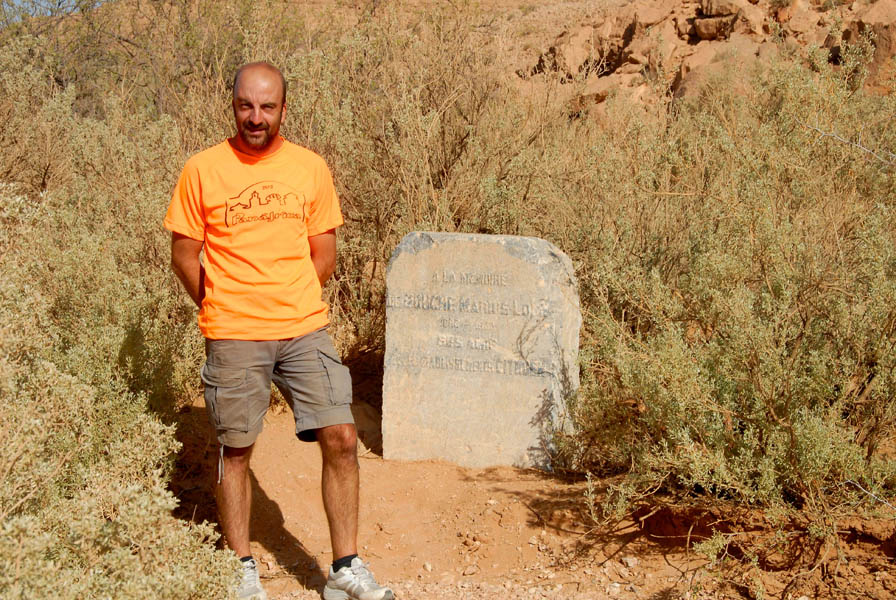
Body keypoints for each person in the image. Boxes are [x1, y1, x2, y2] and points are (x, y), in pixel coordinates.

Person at [164, 61, 393, 600]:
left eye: (267, 107)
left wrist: (287, 298)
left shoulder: (310, 167)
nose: (255, 117)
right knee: (235, 449)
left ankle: (345, 569)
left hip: (303, 328)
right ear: (233, 106)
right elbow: (184, 254)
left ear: (283, 110)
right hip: (234, 331)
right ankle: (240, 567)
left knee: (341, 436)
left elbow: (324, 255)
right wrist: (221, 304)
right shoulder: (203, 169)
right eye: (246, 105)